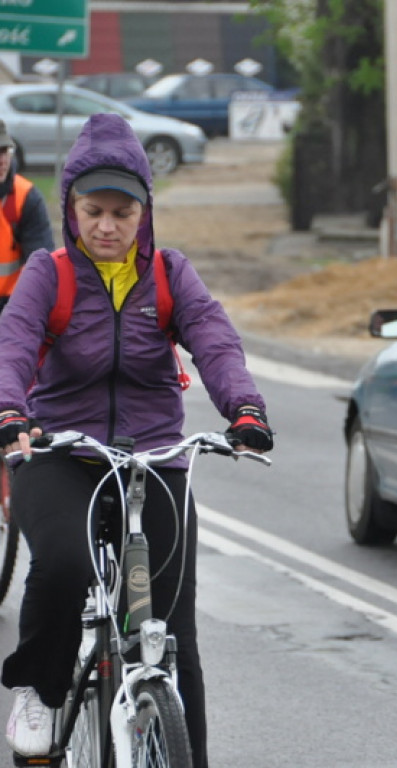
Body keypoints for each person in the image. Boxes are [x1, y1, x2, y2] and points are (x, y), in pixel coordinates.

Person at [0, 112, 273, 766]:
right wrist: (10, 412)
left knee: (174, 632)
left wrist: (245, 409)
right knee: (64, 565)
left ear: (143, 213)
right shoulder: (51, 273)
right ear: (72, 209)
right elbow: (12, 343)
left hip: (153, 462)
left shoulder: (170, 275)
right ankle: (39, 688)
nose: (106, 226)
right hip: (59, 452)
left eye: (122, 213)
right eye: (93, 211)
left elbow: (213, 339)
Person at [0, 118, 55, 314]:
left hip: (13, 305)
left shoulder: (25, 197)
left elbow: (41, 265)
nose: (2, 160)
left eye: (5, 151)